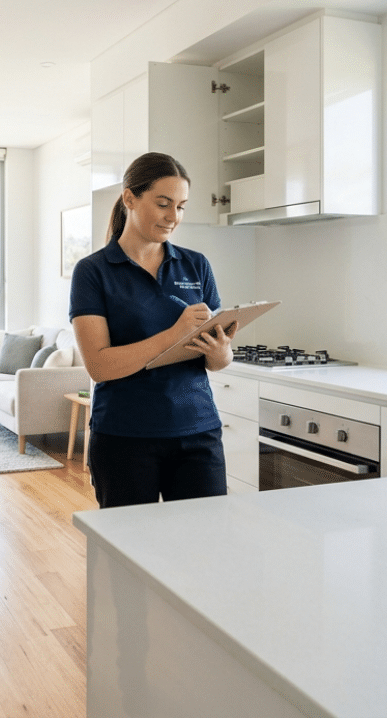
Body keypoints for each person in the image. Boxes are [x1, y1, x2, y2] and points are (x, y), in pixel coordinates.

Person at [69, 152, 237, 508]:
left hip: (198, 432)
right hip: (124, 437)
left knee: (203, 552)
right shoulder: (93, 272)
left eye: (181, 206)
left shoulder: (196, 265)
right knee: (129, 555)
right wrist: (174, 334)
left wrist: (221, 353)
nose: (173, 217)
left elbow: (217, 360)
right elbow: (99, 366)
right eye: (163, 204)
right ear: (130, 198)